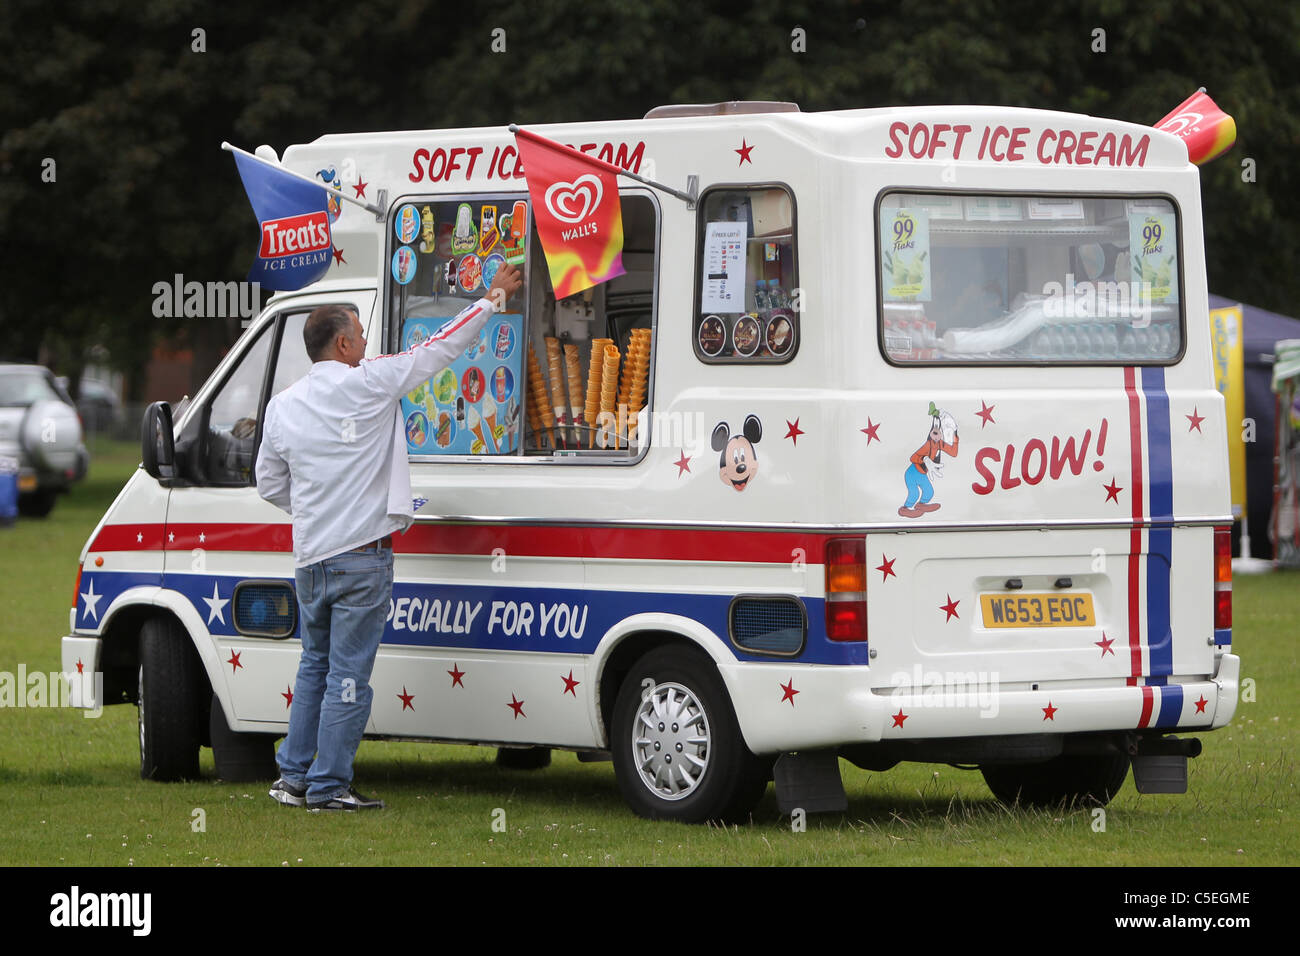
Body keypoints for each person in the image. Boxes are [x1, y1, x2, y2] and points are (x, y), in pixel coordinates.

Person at [256, 262, 523, 810]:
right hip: (361, 556)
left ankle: (294, 778)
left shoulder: (283, 406)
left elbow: (268, 483)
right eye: (357, 333)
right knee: (349, 675)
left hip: (311, 557)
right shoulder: (369, 383)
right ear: (343, 342)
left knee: (314, 665)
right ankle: (329, 786)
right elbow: (440, 348)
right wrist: (492, 299)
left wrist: (312, 508)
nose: (363, 341)